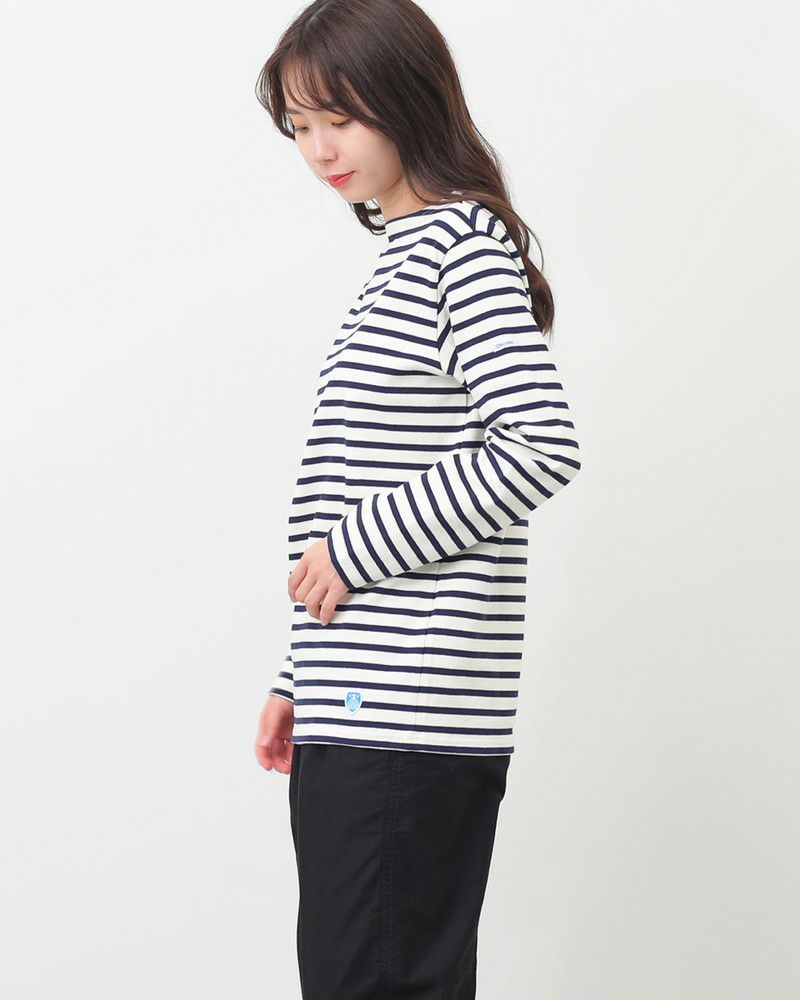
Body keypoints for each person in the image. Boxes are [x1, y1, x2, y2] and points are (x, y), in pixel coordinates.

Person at [253, 1, 582, 996]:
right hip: (359, 701)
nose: (318, 150)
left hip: (408, 713)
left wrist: (352, 553)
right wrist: (299, 674)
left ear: (406, 97)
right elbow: (357, 479)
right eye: (298, 125)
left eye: (339, 118)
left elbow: (537, 444)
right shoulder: (404, 253)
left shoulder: (459, 248)